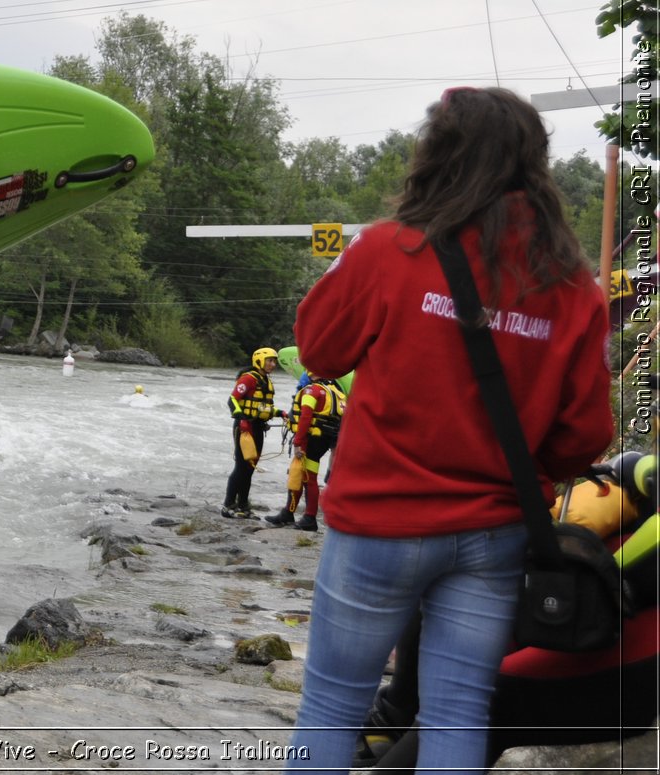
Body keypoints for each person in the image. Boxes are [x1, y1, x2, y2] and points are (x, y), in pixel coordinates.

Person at [284, 86, 614, 775]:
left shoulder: (386, 250)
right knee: (458, 712)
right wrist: (519, 461)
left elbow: (318, 349)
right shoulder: (574, 285)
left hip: (377, 523)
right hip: (493, 535)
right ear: (536, 165)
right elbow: (586, 434)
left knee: (332, 705)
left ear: (436, 156)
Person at [359, 451, 658, 773]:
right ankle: (392, 720)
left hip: (633, 641)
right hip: (616, 616)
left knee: (482, 699)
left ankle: (394, 726)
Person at [264, 371, 344, 531]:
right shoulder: (336, 391)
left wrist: (298, 442)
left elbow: (306, 417)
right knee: (303, 475)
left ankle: (309, 518)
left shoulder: (311, 390)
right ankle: (289, 513)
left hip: (311, 439)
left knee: (307, 477)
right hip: (326, 439)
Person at [222, 346, 279, 519]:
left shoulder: (265, 381)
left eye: (274, 361)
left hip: (258, 428)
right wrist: (241, 417)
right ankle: (228, 505)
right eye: (270, 360)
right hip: (244, 428)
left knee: (250, 468)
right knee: (241, 467)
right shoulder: (248, 378)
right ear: (259, 361)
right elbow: (232, 399)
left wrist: (280, 414)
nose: (273, 364)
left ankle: (243, 506)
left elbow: (263, 406)